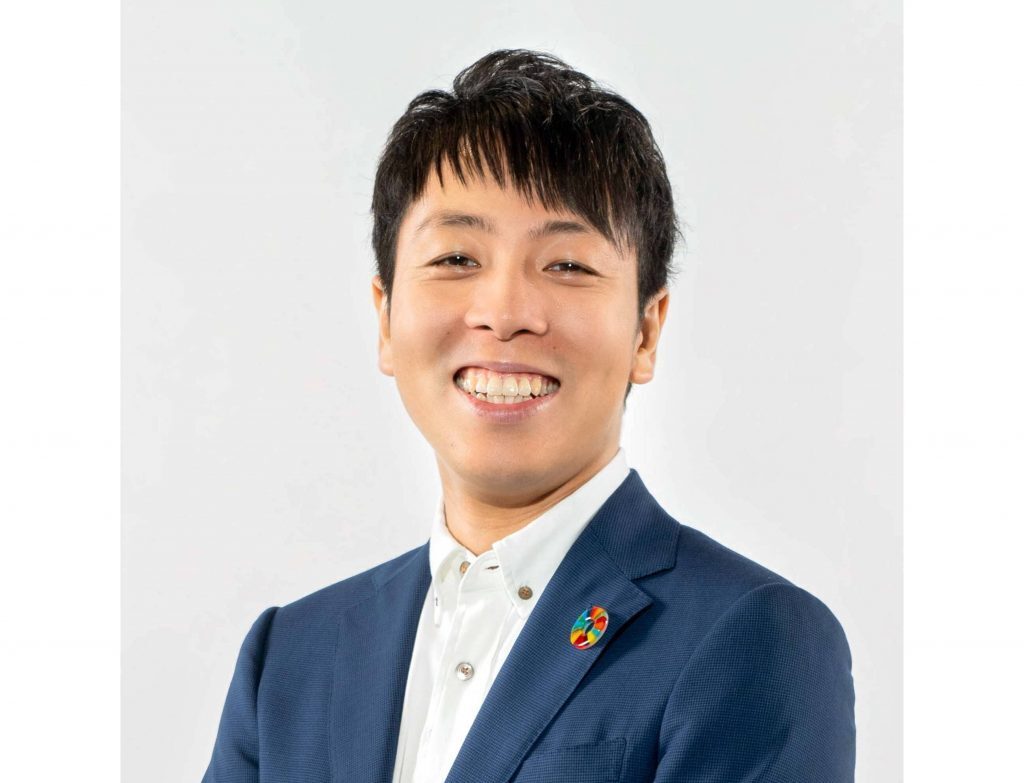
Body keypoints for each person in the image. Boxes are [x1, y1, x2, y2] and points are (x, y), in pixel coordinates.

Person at [202, 49, 856, 783]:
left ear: (646, 330)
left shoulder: (751, 638)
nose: (505, 312)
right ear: (385, 317)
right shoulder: (291, 657)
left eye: (568, 265)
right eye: (456, 258)